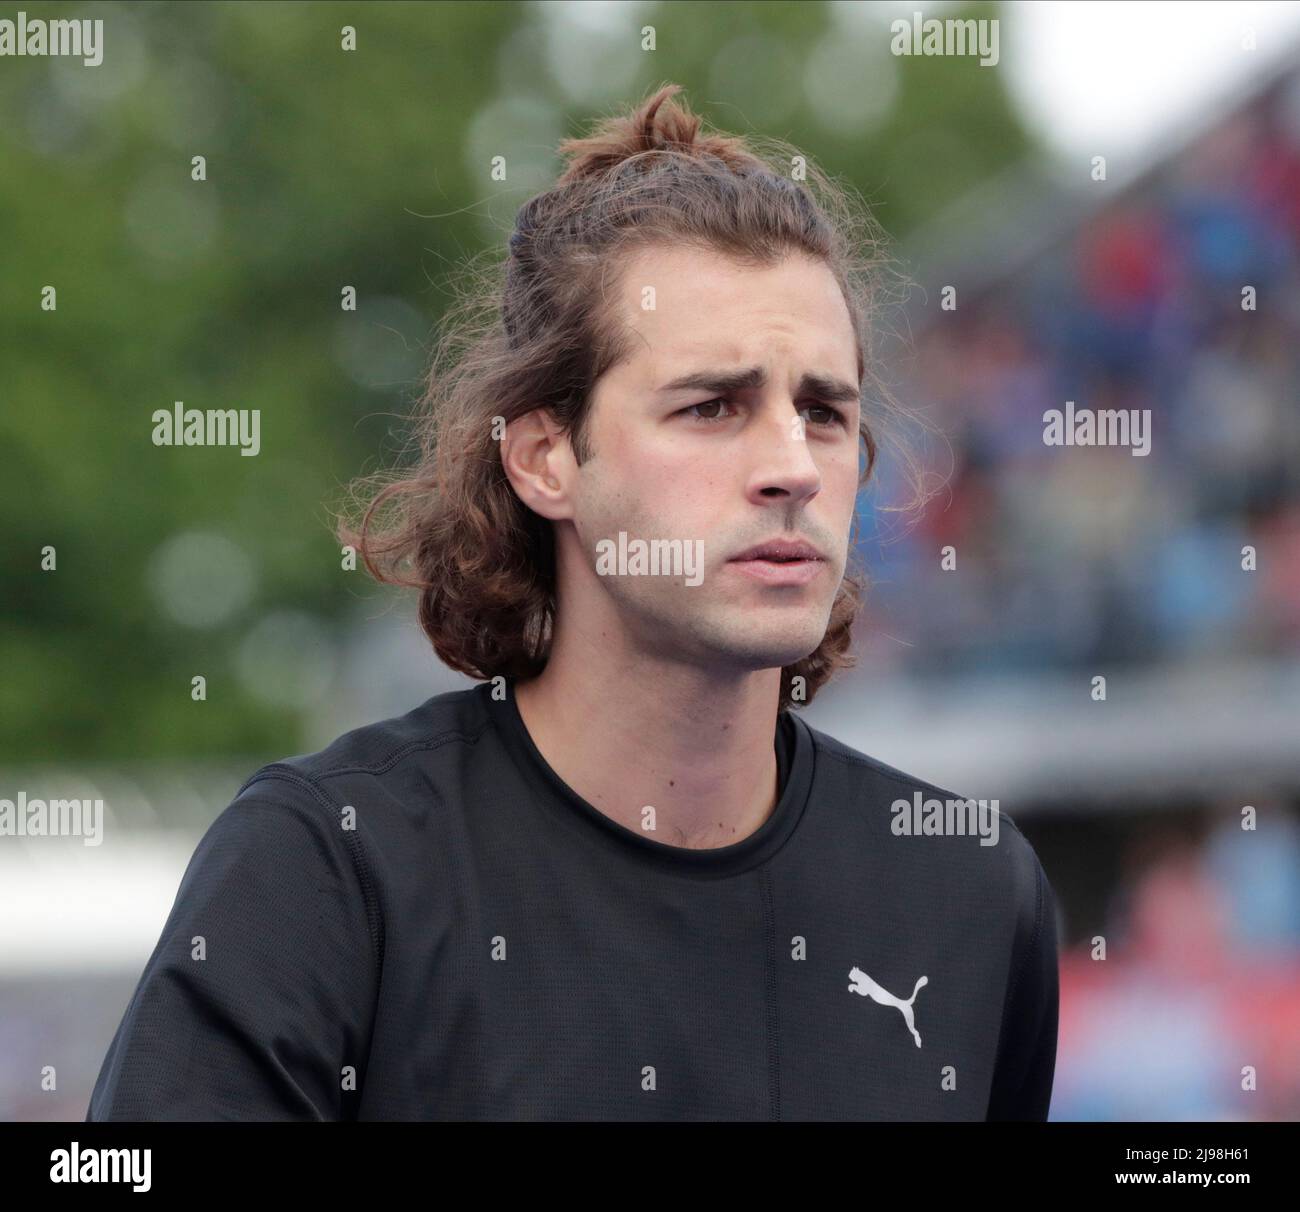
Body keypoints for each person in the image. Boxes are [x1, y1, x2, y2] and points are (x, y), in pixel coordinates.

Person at [86, 83, 1058, 1122]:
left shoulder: (968, 892)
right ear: (546, 459)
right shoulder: (329, 866)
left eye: (822, 411)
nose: (792, 466)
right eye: (711, 406)